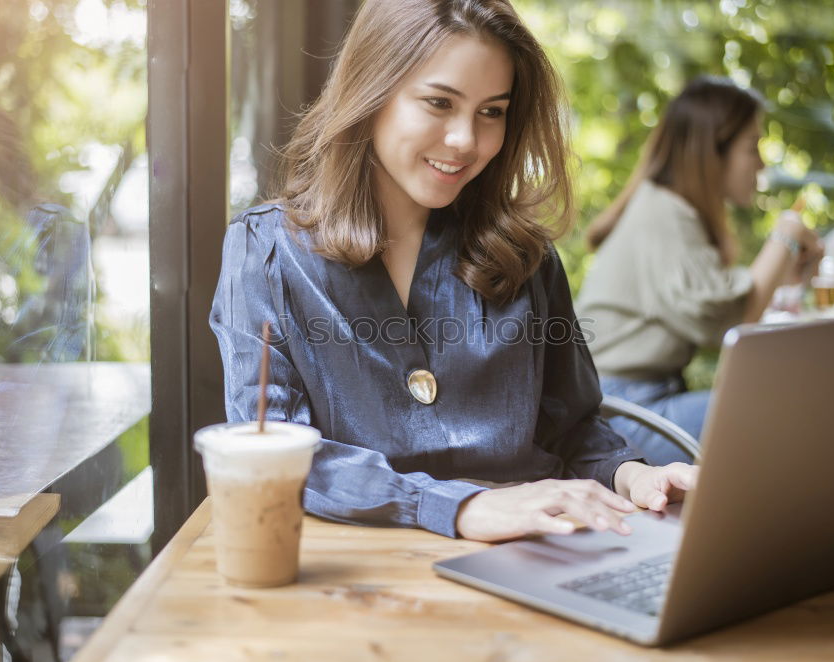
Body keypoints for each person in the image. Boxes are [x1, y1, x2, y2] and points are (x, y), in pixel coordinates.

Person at [210, 0, 696, 543]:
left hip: (538, 556)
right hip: (359, 572)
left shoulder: (524, 254)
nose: (467, 139)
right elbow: (274, 449)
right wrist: (462, 507)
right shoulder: (265, 249)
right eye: (440, 102)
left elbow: (574, 430)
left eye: (492, 111)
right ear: (371, 94)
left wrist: (637, 478)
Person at [574, 76, 822, 466]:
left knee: (782, 398)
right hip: (621, 414)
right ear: (712, 151)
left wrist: (782, 272)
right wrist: (786, 236)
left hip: (634, 401)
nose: (761, 162)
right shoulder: (664, 212)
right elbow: (725, 319)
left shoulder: (665, 208)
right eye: (751, 147)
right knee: (789, 404)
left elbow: (720, 305)